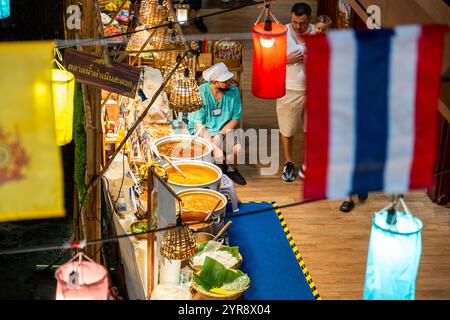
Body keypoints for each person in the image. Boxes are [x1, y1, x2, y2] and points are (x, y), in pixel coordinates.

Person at [188, 62, 246, 185]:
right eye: (225, 81)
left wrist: (219, 136)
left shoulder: (233, 91)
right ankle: (213, 168)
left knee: (237, 148)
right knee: (209, 159)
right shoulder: (201, 92)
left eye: (229, 79)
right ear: (213, 81)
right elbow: (198, 124)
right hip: (202, 131)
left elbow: (235, 118)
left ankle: (231, 170)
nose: (229, 83)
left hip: (222, 130)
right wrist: (214, 148)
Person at [278, 3, 314, 182]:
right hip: (288, 89)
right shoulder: (281, 32)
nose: (298, 27)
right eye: (295, 22)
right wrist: (286, 59)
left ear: (310, 20)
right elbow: (269, 59)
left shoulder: (318, 33)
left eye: (303, 23)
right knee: (287, 128)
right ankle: (289, 162)